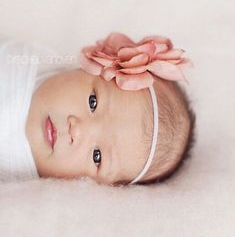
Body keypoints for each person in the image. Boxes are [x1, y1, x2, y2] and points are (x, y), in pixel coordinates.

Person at [0, 32, 196, 185]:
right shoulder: (21, 60)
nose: (76, 130)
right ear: (91, 65)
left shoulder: (26, 187)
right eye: (93, 102)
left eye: (97, 156)